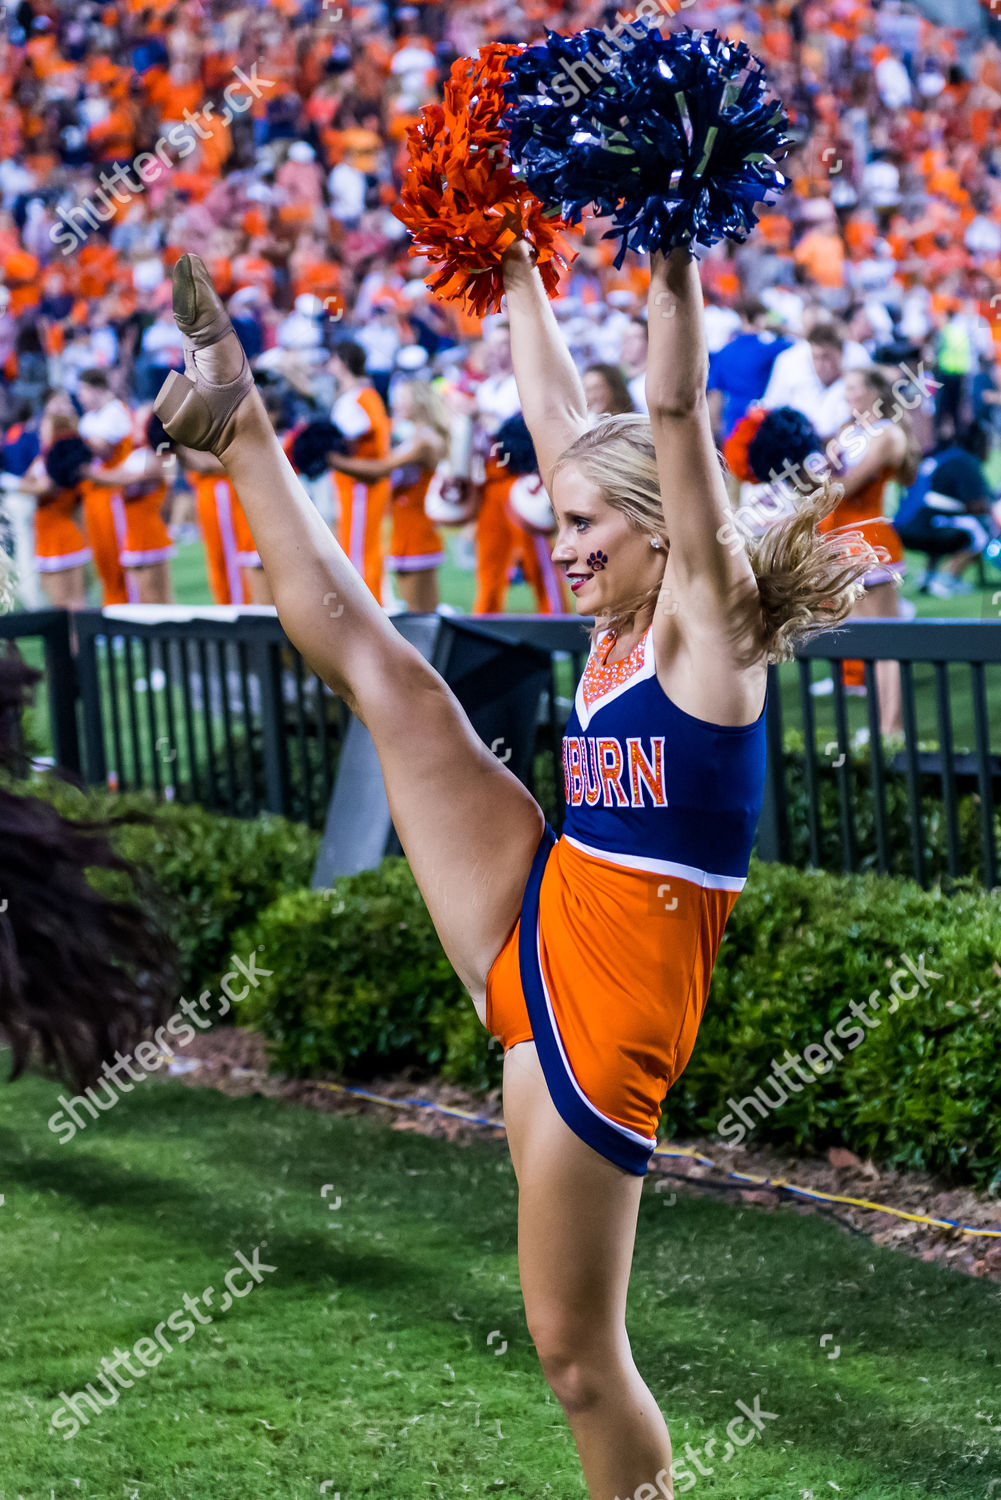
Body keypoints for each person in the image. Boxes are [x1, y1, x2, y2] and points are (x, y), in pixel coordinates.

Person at [152, 247, 877, 1499]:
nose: (564, 543)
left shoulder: (709, 636)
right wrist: (515, 266)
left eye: (587, 525)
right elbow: (566, 426)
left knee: (575, 1355)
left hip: (619, 1007)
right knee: (396, 689)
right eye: (560, 520)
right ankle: (240, 420)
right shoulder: (613, 620)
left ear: (664, 531)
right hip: (549, 906)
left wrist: (668, 245)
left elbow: (667, 412)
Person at [819, 366, 922, 735]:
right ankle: (884, 726)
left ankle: (891, 728)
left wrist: (823, 475)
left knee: (884, 639)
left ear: (873, 392)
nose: (848, 395)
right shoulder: (850, 431)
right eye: (845, 388)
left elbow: (847, 485)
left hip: (871, 542)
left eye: (854, 388)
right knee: (865, 637)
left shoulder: (888, 434)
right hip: (844, 543)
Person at [326, 377, 448, 613]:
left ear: (419, 402)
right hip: (403, 530)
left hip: (418, 531)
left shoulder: (424, 442)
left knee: (422, 615)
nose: (397, 405)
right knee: (416, 614)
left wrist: (332, 459)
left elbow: (381, 470)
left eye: (403, 400)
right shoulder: (413, 438)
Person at [894, 419, 998, 597]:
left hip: (903, 525)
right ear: (980, 443)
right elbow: (979, 505)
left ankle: (928, 576)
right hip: (925, 526)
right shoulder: (965, 462)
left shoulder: (945, 456)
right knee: (983, 526)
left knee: (948, 520)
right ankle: (947, 578)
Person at [328, 339, 392, 604]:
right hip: (359, 485)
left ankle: (367, 616)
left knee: (358, 554)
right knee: (363, 551)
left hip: (360, 485)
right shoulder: (366, 395)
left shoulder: (357, 398)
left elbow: (351, 438)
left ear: (343, 363)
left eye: (332, 360)